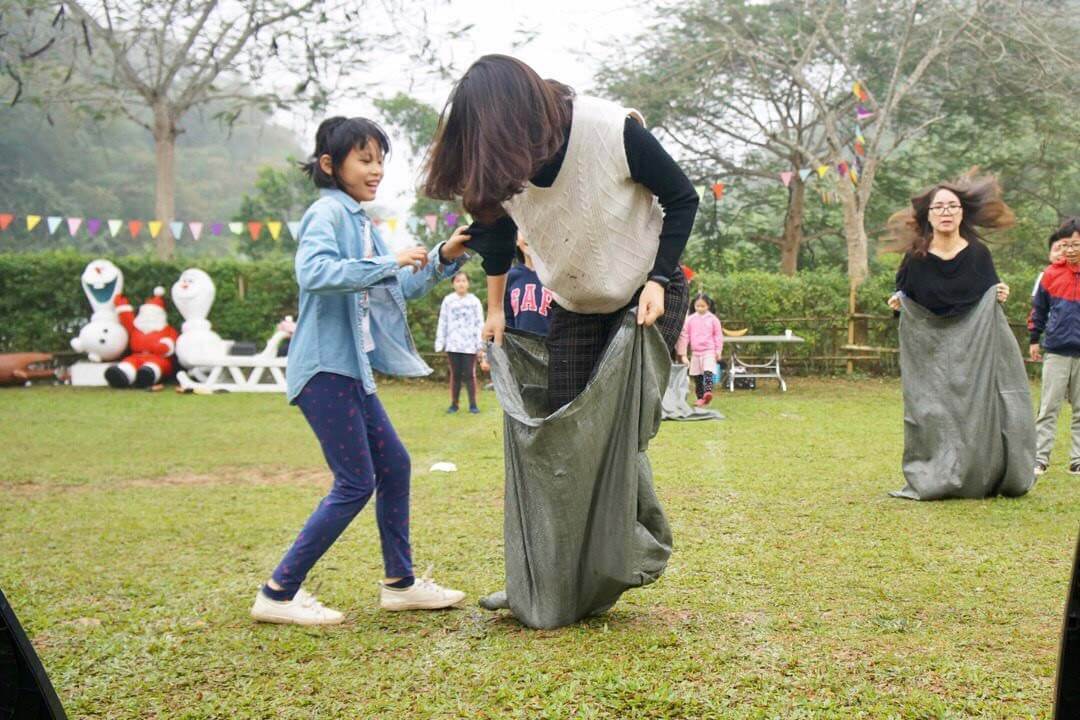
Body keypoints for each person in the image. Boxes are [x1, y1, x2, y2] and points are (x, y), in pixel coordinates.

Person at [250, 116, 470, 626]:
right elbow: (314, 273)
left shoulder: (359, 221)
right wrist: (386, 262)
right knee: (354, 482)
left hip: (350, 372)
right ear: (331, 165)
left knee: (394, 466)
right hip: (324, 369)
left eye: (380, 161)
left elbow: (396, 286)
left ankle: (400, 583)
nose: (376, 171)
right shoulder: (326, 214)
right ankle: (278, 591)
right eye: (365, 160)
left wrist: (444, 256)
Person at [423, 54, 698, 412]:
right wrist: (495, 310)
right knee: (565, 423)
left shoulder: (609, 128)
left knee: (622, 420)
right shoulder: (505, 164)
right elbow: (497, 234)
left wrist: (658, 280)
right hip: (576, 303)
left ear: (519, 118)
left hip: (645, 290)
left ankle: (630, 456)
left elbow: (682, 197)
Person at [885, 172, 1034, 500]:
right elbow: (904, 297)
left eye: (952, 206)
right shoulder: (916, 257)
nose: (946, 212)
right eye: (939, 207)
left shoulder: (978, 253)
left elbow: (988, 295)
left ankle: (979, 472)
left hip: (974, 348)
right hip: (931, 351)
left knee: (978, 410)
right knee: (929, 411)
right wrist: (898, 303)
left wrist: (1000, 292)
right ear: (928, 215)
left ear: (962, 212)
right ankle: (936, 472)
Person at [1029, 217, 1080, 476]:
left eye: (1076, 244)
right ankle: (1040, 458)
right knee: (1048, 408)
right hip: (1057, 350)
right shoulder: (1051, 275)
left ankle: (1078, 460)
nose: (1071, 250)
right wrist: (1034, 339)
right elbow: (1039, 310)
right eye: (1066, 245)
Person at [435, 271, 485, 414]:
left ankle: (473, 405)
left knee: (469, 374)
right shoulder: (448, 301)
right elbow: (443, 321)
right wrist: (441, 342)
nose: (461, 283)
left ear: (468, 283)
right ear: (453, 284)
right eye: (458, 281)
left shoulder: (474, 301)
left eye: (463, 280)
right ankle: (454, 404)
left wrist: (480, 344)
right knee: (455, 375)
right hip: (453, 344)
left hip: (469, 345)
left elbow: (479, 323)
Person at [676, 293, 723, 406]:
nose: (700, 308)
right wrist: (683, 354)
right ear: (694, 306)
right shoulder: (690, 319)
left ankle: (708, 392)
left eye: (703, 306)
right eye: (698, 306)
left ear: (708, 306)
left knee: (708, 371)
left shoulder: (713, 319)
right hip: (695, 352)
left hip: (709, 351)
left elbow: (718, 335)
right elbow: (685, 336)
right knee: (697, 376)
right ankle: (700, 398)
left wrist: (718, 350)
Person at [504, 234, 553, 336]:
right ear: (517, 240)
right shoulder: (510, 277)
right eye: (522, 230)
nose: (529, 235)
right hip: (521, 346)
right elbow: (507, 317)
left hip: (550, 345)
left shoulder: (554, 276)